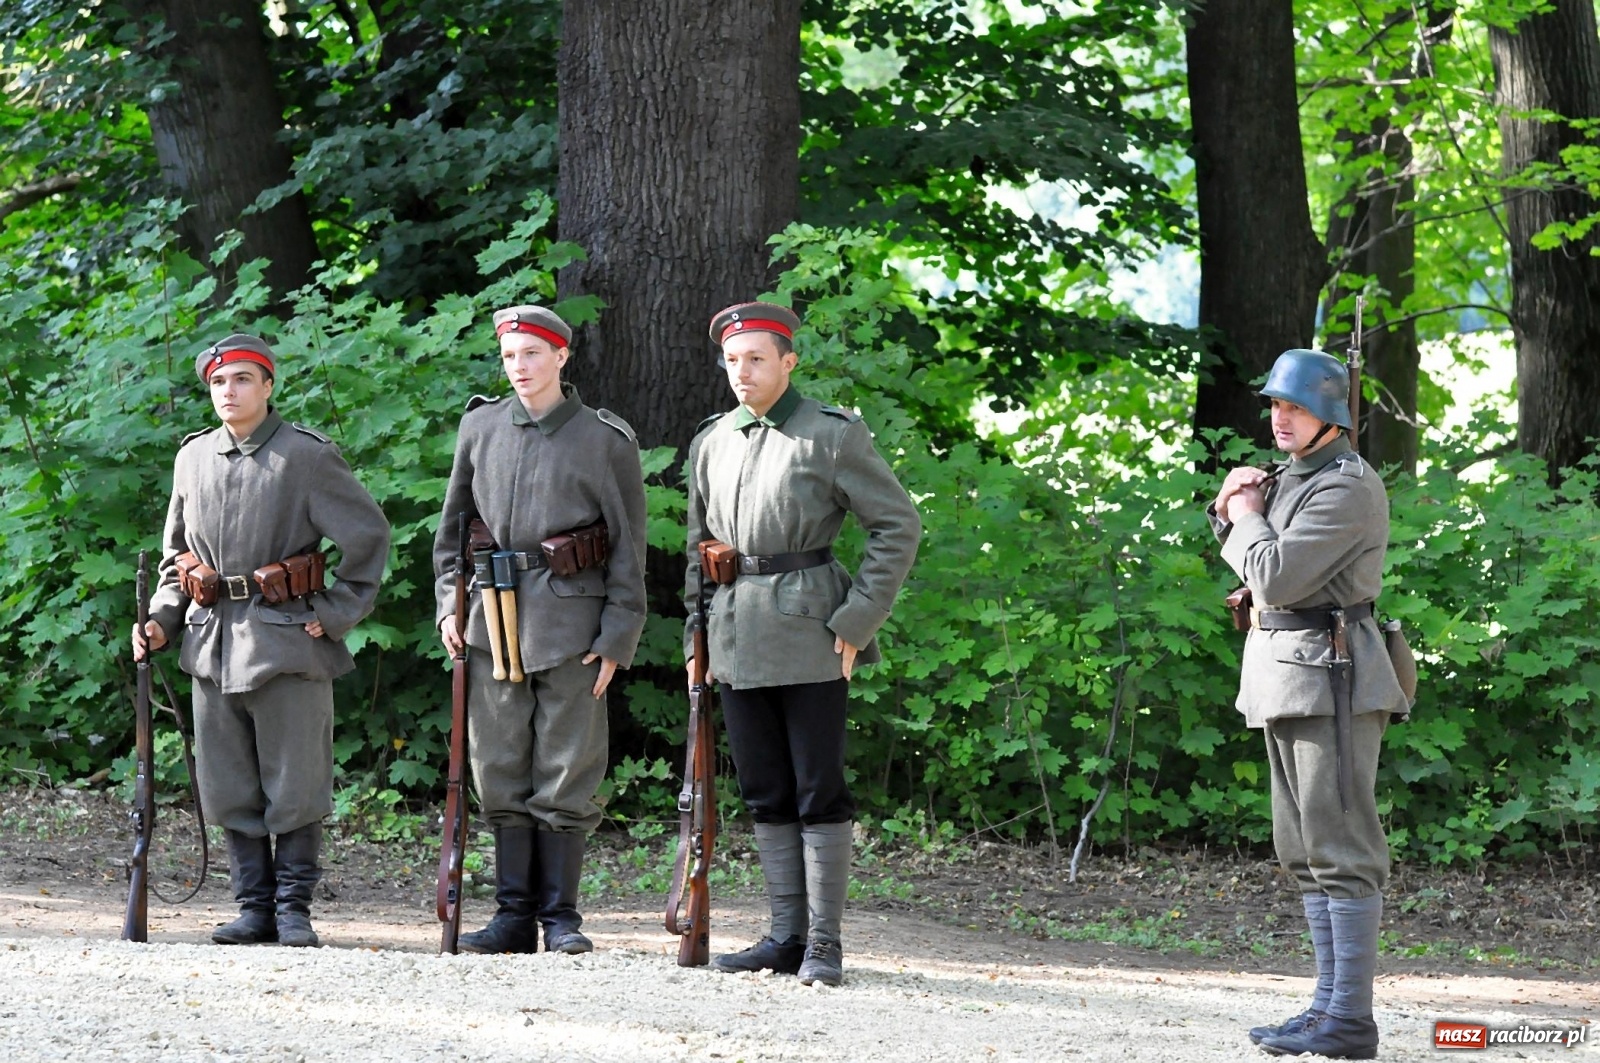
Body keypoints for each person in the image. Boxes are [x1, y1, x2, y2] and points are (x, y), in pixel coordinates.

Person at [684, 301, 920, 987]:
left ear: (789, 360)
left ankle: (824, 942)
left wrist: (856, 621)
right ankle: (784, 934)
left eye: (757, 358)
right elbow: (700, 551)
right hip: (733, 633)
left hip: (813, 630)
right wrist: (697, 633)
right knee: (763, 789)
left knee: (819, 788)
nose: (742, 371)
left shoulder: (830, 435)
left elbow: (897, 527)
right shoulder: (713, 440)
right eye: (733, 360)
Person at [132, 333, 390, 948]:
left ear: (268, 386)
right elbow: (179, 557)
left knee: (296, 780)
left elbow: (368, 539)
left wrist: (335, 611)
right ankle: (254, 908)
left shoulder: (306, 456)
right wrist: (161, 620)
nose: (230, 391)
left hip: (286, 640)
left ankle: (294, 908)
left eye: (244, 379)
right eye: (220, 382)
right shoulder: (192, 458)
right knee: (228, 782)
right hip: (211, 638)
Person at [1208, 348, 1408, 1060]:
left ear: (1329, 414)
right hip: (1288, 679)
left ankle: (1351, 1018)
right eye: (1274, 405)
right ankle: (1326, 1006)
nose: (1278, 417)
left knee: (1341, 848)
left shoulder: (1348, 486)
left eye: (1292, 406)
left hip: (1334, 680)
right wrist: (1231, 508)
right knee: (1303, 850)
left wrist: (1241, 510)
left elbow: (1278, 574)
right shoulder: (1297, 477)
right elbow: (1261, 557)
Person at [433, 304, 647, 955]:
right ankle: (511, 917)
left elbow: (630, 551)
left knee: (566, 768)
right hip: (489, 618)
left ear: (561, 355)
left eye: (531, 354)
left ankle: (561, 917)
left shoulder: (604, 440)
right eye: (509, 356)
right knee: (497, 768)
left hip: (572, 624)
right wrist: (449, 603)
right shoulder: (480, 427)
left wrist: (617, 636)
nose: (519, 367)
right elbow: (451, 531)